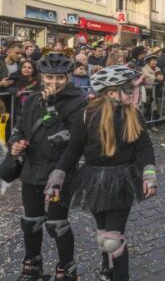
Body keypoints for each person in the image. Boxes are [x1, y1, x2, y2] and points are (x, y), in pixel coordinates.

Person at [45, 65, 157, 281]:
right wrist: (57, 177)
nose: (132, 92)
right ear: (112, 93)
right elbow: (73, 150)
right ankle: (107, 270)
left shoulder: (133, 114)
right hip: (94, 180)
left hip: (122, 180)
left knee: (113, 240)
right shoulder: (87, 115)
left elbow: (145, 146)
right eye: (127, 88)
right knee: (102, 236)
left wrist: (149, 173)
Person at [8, 52, 86, 280]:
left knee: (56, 224)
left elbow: (67, 142)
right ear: (42, 76)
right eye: (49, 77)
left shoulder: (78, 102)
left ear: (68, 77)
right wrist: (15, 144)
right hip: (33, 167)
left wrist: (50, 109)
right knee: (31, 221)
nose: (54, 82)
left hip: (61, 170)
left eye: (60, 77)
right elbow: (19, 127)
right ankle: (32, 266)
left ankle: (67, 270)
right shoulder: (32, 99)